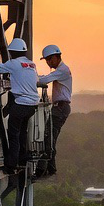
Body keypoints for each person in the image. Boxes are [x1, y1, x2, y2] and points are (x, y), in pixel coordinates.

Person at [0, 38, 38, 174]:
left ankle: (11, 164)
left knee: (13, 134)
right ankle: (22, 158)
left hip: (21, 104)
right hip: (32, 105)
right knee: (22, 133)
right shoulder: (31, 64)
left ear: (12, 52)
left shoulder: (13, 63)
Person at [36, 43, 72, 178]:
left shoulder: (62, 70)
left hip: (60, 107)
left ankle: (41, 169)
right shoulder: (61, 70)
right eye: (46, 60)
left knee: (49, 137)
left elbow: (45, 79)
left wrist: (29, 79)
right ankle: (51, 168)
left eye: (49, 60)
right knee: (50, 137)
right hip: (60, 107)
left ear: (56, 57)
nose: (48, 63)